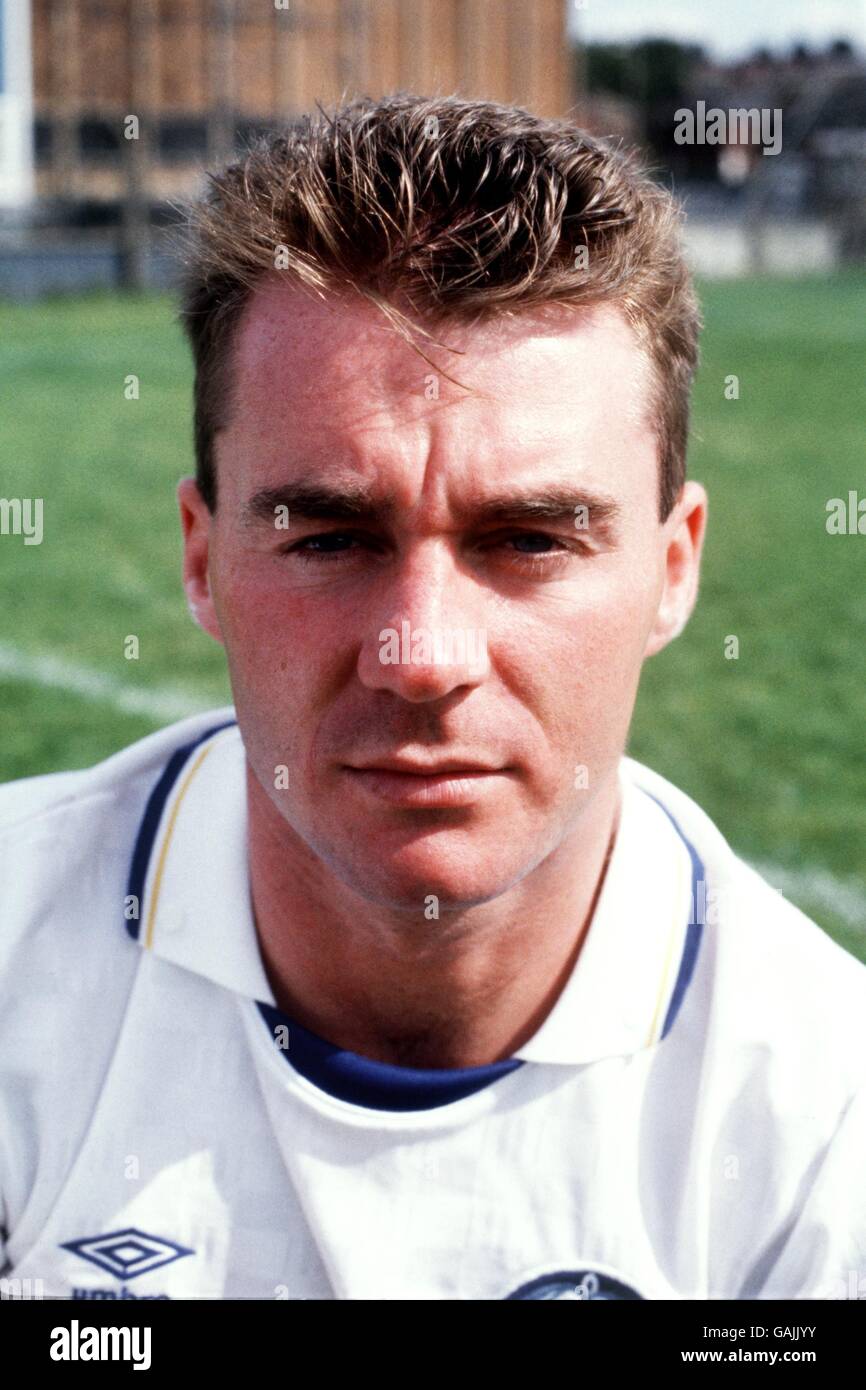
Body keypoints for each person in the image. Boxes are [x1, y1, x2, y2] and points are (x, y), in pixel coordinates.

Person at [1, 94, 864, 1303]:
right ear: (201, 562)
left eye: (526, 538)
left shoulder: (823, 1126)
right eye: (331, 536)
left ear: (673, 569)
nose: (420, 654)